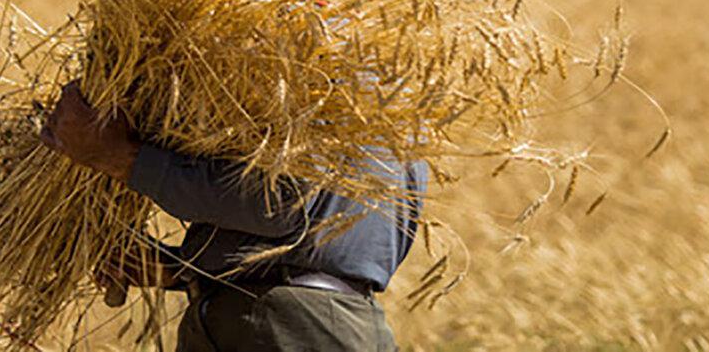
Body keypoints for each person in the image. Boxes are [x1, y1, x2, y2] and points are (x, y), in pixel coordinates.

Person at [41, 82, 427, 352]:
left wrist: (118, 157)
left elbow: (277, 204)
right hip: (314, 326)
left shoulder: (311, 83)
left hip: (287, 332)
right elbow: (336, 249)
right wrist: (182, 269)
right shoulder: (394, 101)